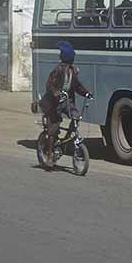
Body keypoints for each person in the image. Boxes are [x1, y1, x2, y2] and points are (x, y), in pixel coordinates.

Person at [38, 41, 93, 169]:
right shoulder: (58, 70)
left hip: (67, 103)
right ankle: (50, 155)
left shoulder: (73, 71)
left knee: (76, 116)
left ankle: (68, 138)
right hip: (54, 104)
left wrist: (86, 93)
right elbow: (49, 85)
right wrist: (55, 92)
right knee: (53, 130)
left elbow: (77, 86)